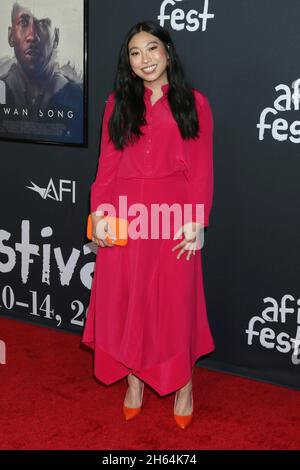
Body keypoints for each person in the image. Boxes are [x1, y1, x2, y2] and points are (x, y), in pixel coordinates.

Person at [82, 20, 215, 429]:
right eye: (136, 53)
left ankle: (183, 384)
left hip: (171, 217)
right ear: (129, 62)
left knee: (174, 303)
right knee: (127, 300)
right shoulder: (116, 103)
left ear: (168, 52)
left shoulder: (194, 103)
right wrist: (99, 215)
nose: (146, 59)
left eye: (152, 49)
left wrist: (197, 220)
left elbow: (201, 168)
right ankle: (134, 380)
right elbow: (106, 164)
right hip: (124, 215)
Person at [0, 2, 83, 140]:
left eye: (43, 23)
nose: (32, 36)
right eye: (23, 22)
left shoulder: (78, 98)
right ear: (11, 36)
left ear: (56, 37)